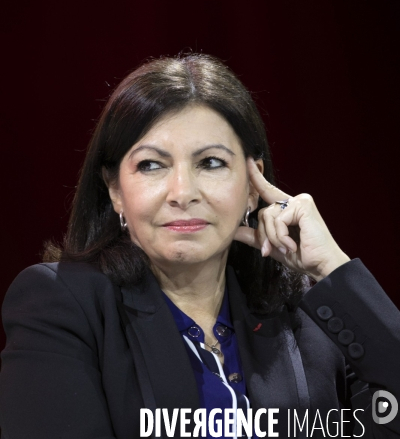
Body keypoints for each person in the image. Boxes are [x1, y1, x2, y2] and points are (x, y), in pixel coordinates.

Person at [0, 53, 399, 439]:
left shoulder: (308, 317)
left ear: (251, 183)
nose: (182, 193)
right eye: (152, 165)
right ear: (115, 190)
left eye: (210, 163)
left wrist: (332, 269)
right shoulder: (62, 305)